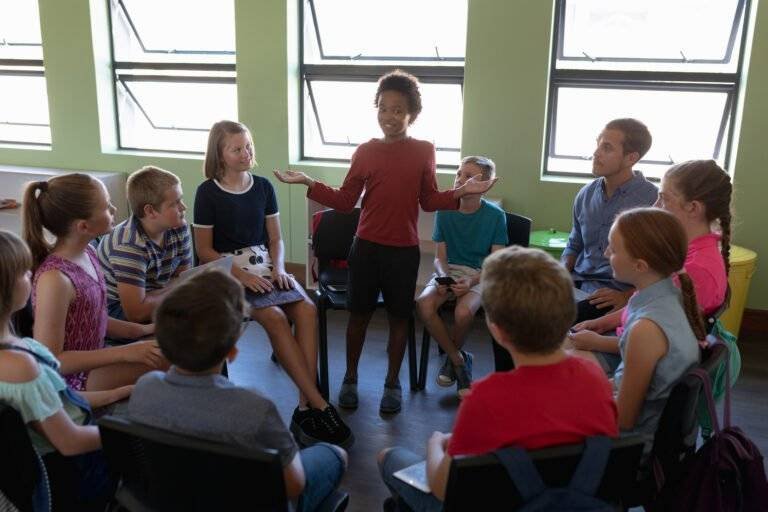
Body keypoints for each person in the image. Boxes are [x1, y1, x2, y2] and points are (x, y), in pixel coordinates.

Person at [274, 70, 495, 414]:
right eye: (383, 108)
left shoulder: (424, 150)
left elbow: (429, 199)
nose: (389, 117)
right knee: (357, 318)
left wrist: (462, 191)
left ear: (412, 114)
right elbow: (347, 200)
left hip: (402, 253)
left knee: (398, 319)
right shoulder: (365, 152)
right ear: (376, 109)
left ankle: (392, 382)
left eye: (398, 110)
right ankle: (350, 377)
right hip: (365, 249)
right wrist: (308, 181)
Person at [378, 247, 618, 511]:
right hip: (571, 501)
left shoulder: (486, 397)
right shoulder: (596, 378)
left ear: (496, 330)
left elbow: (442, 486)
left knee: (388, 458)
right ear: (568, 316)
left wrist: (436, 445)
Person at [125, 269, 348, 512]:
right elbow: (293, 485)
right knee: (335, 454)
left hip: (174, 499)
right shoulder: (254, 408)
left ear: (164, 345)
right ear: (232, 352)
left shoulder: (144, 389)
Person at [194, 120, 352, 447]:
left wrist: (278, 268)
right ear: (219, 155)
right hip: (228, 272)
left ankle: (304, 404)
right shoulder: (207, 192)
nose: (245, 153)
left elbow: (275, 238)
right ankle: (319, 403)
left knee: (306, 310)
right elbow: (204, 250)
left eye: (248, 146)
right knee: (276, 318)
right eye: (236, 149)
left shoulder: (264, 186)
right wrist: (244, 276)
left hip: (265, 265)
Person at [0, 230, 127, 511]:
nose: (31, 276)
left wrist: (116, 393)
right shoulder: (22, 365)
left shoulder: (21, 353)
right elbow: (69, 441)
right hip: (65, 475)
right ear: (6, 289)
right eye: (23, 272)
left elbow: (57, 399)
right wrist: (128, 434)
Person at [569, 160, 732, 375]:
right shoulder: (683, 252)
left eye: (663, 199)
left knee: (549, 364)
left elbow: (662, 344)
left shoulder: (696, 270)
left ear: (693, 208)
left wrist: (597, 342)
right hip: (627, 337)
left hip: (640, 355)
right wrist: (601, 323)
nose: (655, 206)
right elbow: (642, 303)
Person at [22, 174, 164, 392]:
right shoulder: (55, 280)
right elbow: (51, 360)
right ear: (84, 226)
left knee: (181, 341)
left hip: (97, 360)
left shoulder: (89, 252)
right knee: (177, 358)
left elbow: (92, 318)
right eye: (107, 207)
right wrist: (126, 352)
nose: (115, 210)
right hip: (70, 383)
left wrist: (142, 330)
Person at [604, 208, 702, 441]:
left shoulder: (646, 328)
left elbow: (624, 420)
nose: (606, 252)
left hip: (630, 448)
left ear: (640, 266)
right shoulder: (672, 296)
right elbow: (624, 381)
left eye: (614, 249)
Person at [415, 155, 507, 398]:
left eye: (468, 176)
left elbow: (494, 262)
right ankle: (458, 359)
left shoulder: (496, 216)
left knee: (463, 312)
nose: (460, 180)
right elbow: (439, 258)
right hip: (450, 271)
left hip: (480, 274)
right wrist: (444, 277)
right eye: (459, 174)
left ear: (485, 184)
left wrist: (471, 282)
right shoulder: (444, 212)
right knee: (424, 304)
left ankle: (452, 361)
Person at [562, 118, 658, 323]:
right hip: (577, 283)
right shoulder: (585, 194)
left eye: (607, 147)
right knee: (508, 310)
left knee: (539, 324)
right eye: (598, 144)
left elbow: (664, 268)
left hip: (612, 294)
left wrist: (626, 296)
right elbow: (575, 243)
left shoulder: (653, 202)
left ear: (631, 157)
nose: (596, 153)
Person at [98, 166, 192, 323]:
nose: (183, 207)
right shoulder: (128, 244)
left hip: (154, 297)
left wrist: (161, 294)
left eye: (181, 200)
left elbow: (184, 277)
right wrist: (179, 289)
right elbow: (136, 313)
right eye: (175, 203)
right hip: (116, 310)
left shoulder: (178, 226)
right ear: (150, 211)